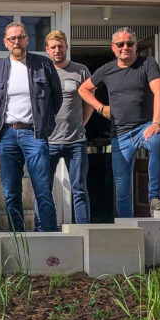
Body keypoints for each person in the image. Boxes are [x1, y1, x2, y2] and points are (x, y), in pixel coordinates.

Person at [78, 27, 160, 217]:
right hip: (119, 133)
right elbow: (83, 89)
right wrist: (101, 108)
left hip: (144, 126)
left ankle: (154, 198)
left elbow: (159, 92)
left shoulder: (147, 63)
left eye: (129, 43)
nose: (125, 47)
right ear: (113, 48)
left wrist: (156, 123)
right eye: (120, 44)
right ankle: (126, 225)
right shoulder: (107, 70)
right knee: (122, 185)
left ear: (136, 46)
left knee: (157, 141)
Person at [0, 22, 62, 232]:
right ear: (5, 43)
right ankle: (18, 239)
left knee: (42, 190)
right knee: (11, 192)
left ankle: (49, 237)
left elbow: (56, 98)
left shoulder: (43, 64)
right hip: (8, 134)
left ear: (27, 39)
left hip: (35, 134)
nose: (16, 42)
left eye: (20, 37)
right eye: (12, 38)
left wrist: (46, 122)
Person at [44, 30, 92, 224]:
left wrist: (82, 123)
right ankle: (45, 230)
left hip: (76, 141)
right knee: (44, 189)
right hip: (48, 141)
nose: (57, 50)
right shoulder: (42, 71)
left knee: (79, 189)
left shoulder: (80, 70)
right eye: (53, 47)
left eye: (60, 46)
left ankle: (83, 231)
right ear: (47, 50)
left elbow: (89, 102)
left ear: (66, 47)